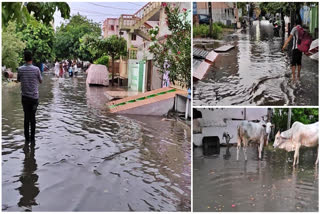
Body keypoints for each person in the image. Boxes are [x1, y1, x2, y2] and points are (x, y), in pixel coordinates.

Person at [17, 50, 42, 151]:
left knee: (26, 118)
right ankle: (33, 139)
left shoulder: (20, 69)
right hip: (34, 98)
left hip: (25, 98)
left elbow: (18, 80)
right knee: (33, 118)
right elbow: (41, 81)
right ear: (32, 59)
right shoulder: (36, 69)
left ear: (24, 59)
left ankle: (26, 140)